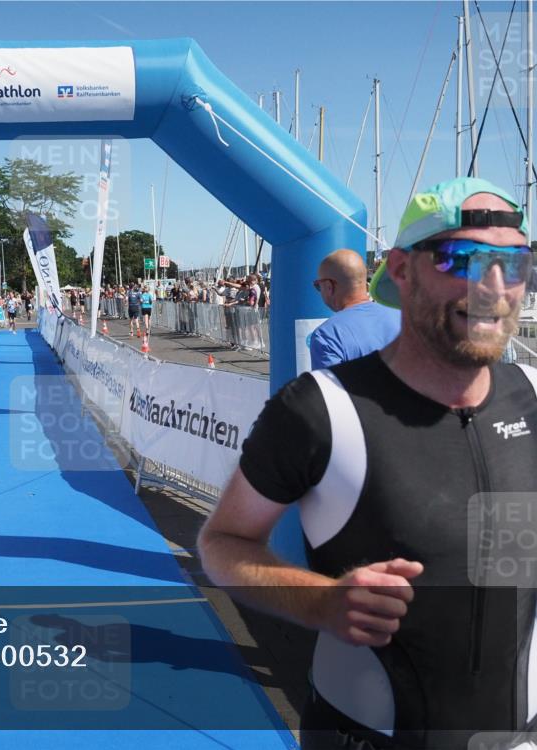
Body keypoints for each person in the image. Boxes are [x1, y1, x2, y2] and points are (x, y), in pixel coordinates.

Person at [198, 177, 536, 748]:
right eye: (463, 259)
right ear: (401, 270)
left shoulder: (531, 392)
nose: (493, 286)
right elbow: (222, 543)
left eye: (516, 261)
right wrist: (319, 600)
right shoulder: (316, 409)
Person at [309, 249, 402, 369]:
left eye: (318, 286)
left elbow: (330, 387)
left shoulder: (326, 336)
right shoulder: (404, 318)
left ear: (329, 286)